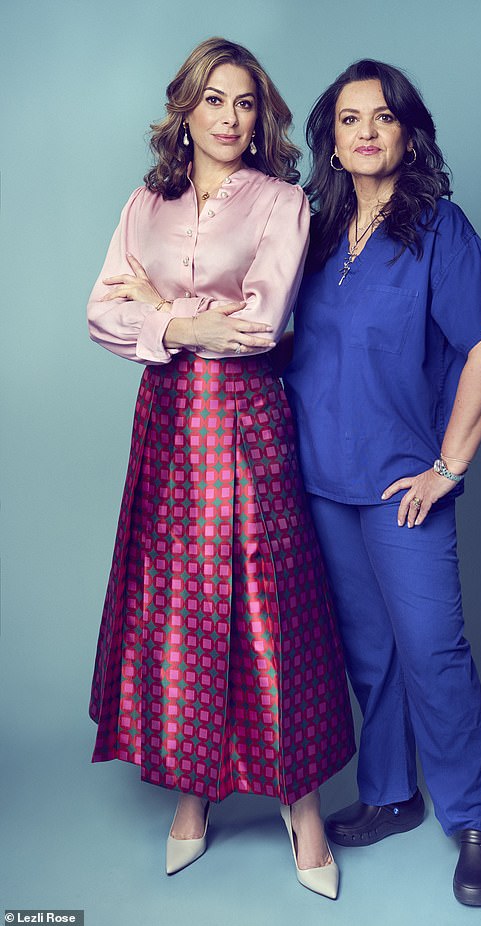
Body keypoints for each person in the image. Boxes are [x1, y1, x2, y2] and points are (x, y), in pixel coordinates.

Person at [86, 37, 354, 899]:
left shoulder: (282, 202)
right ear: (187, 112)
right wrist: (187, 324)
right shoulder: (146, 203)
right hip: (168, 427)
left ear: (260, 115)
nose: (232, 118)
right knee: (180, 604)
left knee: (268, 599)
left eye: (246, 103)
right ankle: (193, 794)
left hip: (245, 420)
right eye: (215, 102)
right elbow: (98, 312)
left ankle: (301, 805)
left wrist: (162, 314)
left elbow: (263, 321)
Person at [282, 59, 481, 907]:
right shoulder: (311, 233)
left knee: (431, 652)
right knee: (370, 653)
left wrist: (449, 467)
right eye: (349, 120)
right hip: (319, 483)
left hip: (400, 489)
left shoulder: (438, 230)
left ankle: (476, 822)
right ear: (333, 140)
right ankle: (390, 794)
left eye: (382, 117)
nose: (366, 132)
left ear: (407, 132)